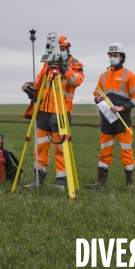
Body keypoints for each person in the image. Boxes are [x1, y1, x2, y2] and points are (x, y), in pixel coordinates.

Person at [21, 34, 84, 190]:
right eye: (58, 49)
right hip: (43, 110)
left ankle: (61, 183)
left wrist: (63, 68)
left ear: (68, 49)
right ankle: (38, 179)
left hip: (61, 112)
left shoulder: (75, 64)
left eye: (63, 49)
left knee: (60, 149)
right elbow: (39, 80)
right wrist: (30, 86)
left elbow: (77, 81)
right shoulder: (47, 64)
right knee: (40, 147)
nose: (60, 51)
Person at [87, 42, 135, 189]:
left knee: (126, 152)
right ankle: (100, 183)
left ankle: (130, 184)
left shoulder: (130, 76)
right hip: (106, 120)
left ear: (122, 57)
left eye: (115, 55)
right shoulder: (103, 76)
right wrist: (96, 99)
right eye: (110, 55)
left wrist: (122, 107)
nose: (112, 58)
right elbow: (96, 93)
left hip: (123, 121)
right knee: (105, 151)